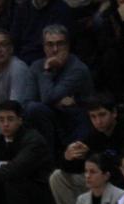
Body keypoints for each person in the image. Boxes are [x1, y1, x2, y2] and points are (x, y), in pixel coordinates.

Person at [47, 94, 124, 204]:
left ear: (114, 113)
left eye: (102, 115)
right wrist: (68, 157)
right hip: (100, 178)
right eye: (93, 117)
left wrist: (91, 154)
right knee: (57, 177)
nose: (98, 121)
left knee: (102, 178)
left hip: (121, 182)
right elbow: (76, 166)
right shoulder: (93, 134)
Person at [24, 23, 91, 151]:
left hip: (73, 122)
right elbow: (27, 101)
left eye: (60, 44)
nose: (55, 49)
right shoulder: (36, 66)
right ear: (44, 47)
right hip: (49, 118)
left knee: (37, 109)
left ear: (68, 46)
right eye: (50, 44)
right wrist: (54, 102)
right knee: (31, 110)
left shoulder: (77, 69)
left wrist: (48, 72)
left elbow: (47, 98)